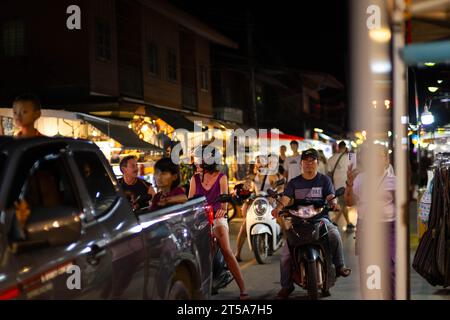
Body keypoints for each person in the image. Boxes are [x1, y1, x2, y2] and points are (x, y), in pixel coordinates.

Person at [272, 148, 351, 299]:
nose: (309, 164)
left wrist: (333, 203)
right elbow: (286, 198)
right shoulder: (294, 182)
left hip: (320, 219)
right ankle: (286, 286)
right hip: (298, 221)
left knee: (334, 233)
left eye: (312, 161)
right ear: (301, 163)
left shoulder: (324, 180)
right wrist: (279, 207)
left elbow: (330, 196)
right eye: (306, 161)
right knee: (286, 255)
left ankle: (340, 266)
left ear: (317, 163)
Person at [188, 145, 249, 300]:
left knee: (226, 248)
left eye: (200, 158)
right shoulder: (194, 179)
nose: (197, 162)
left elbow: (224, 202)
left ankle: (243, 289)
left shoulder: (222, 177)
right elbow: (190, 202)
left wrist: (222, 210)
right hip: (200, 218)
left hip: (217, 216)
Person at [344, 145, 396, 300]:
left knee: (390, 268)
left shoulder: (394, 181)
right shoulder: (360, 178)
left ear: (386, 159)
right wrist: (349, 183)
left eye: (380, 156)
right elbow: (349, 202)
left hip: (388, 227)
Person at [234, 154, 284, 262]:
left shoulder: (271, 176)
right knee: (244, 227)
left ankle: (290, 248)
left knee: (282, 222)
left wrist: (275, 193)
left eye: (262, 161)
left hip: (271, 204)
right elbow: (248, 183)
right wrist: (244, 188)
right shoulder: (253, 177)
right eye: (258, 162)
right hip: (257, 204)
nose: (259, 164)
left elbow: (280, 187)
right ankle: (237, 253)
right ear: (255, 164)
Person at [327, 141, 355, 231]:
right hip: (348, 185)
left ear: (338, 147)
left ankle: (343, 222)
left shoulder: (331, 158)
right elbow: (355, 169)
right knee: (343, 204)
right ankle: (338, 222)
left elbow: (328, 172)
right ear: (345, 147)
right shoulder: (351, 156)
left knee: (342, 204)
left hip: (336, 185)